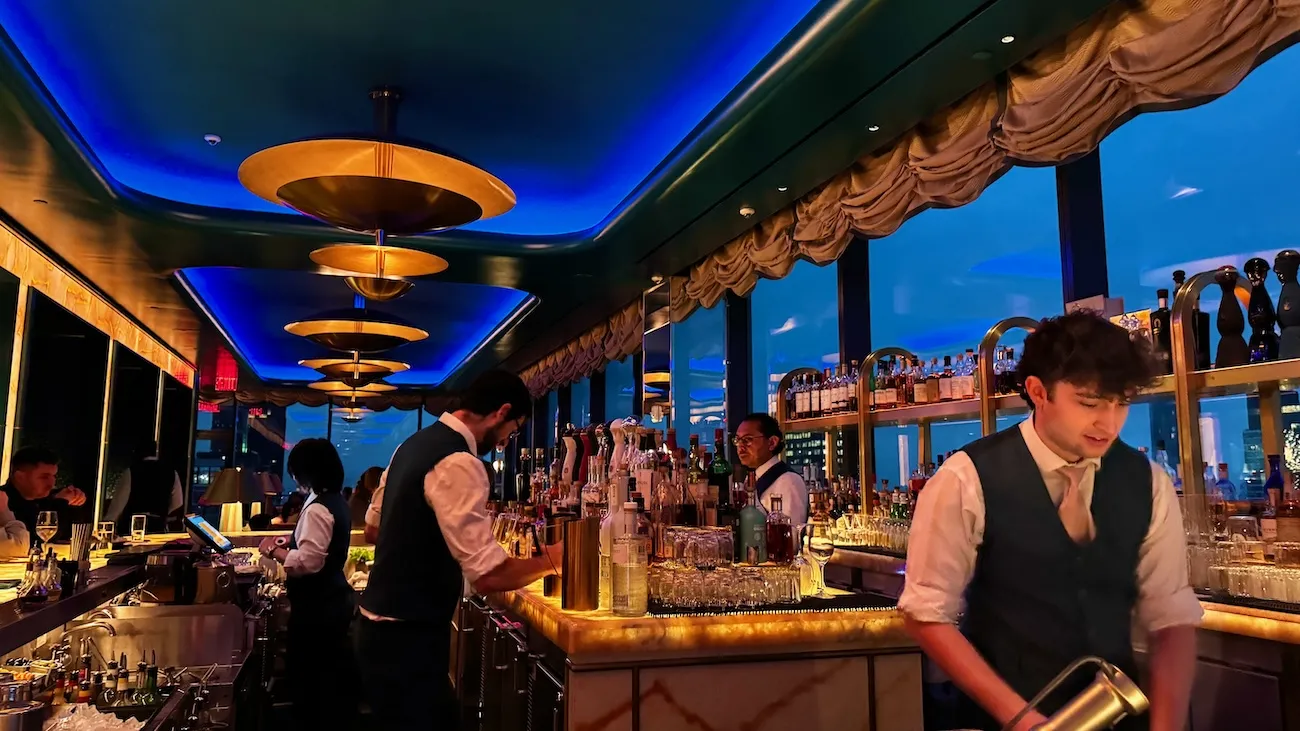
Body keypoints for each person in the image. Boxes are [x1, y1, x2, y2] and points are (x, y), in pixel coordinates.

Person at [899, 311, 1200, 731]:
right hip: (1005, 721)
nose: (1109, 422)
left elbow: (1171, 618)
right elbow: (925, 615)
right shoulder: (966, 479)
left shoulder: (1147, 481)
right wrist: (1028, 722)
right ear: (1038, 392)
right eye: (1089, 403)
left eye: (1122, 403)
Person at [355, 370, 564, 729]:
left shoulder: (411, 446)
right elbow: (488, 576)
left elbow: (373, 529)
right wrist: (556, 558)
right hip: (409, 638)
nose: (506, 441)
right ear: (501, 412)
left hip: (374, 630)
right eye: (512, 430)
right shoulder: (461, 462)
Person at [258, 438, 357, 730]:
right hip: (333, 601)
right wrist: (288, 542)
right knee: (327, 675)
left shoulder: (317, 508)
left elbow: (308, 563)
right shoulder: (335, 501)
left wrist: (272, 550)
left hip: (318, 606)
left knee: (311, 679)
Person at [733, 413, 809, 525]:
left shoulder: (789, 481)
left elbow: (792, 531)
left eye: (747, 440)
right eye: (737, 440)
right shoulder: (751, 479)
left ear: (772, 442)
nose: (741, 447)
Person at [3, 446, 87, 547]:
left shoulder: (48, 498)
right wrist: (61, 503)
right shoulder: (3, 503)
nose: (52, 483)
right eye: (44, 477)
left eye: (54, 476)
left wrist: (75, 501)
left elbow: (74, 537)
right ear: (20, 477)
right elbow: (34, 542)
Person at [103, 440, 183, 535]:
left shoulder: (131, 471)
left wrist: (107, 523)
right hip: (157, 526)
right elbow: (178, 502)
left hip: (131, 526)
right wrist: (162, 513)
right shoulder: (171, 472)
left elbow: (119, 503)